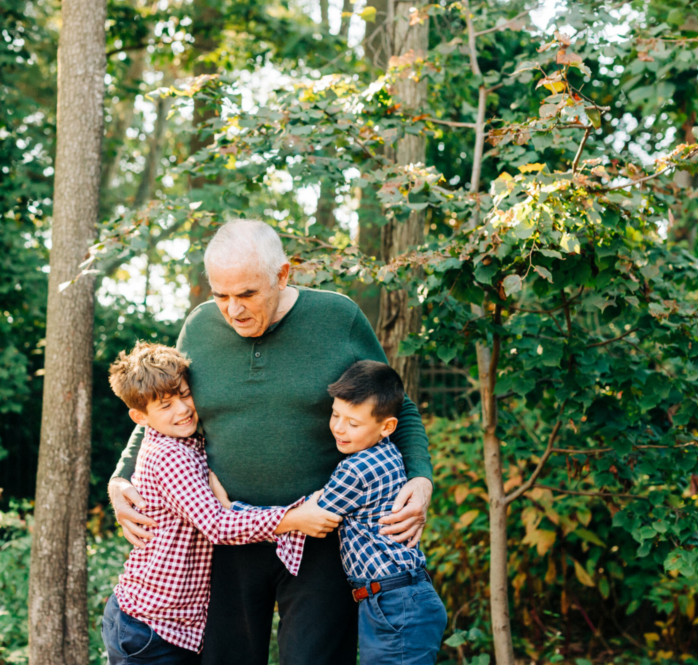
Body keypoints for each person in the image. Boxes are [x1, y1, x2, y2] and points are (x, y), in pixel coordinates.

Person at [109, 219, 434, 665]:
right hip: (225, 545)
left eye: (247, 294)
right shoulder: (199, 328)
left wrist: (420, 477)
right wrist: (120, 478)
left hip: (320, 537)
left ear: (282, 276)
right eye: (221, 295)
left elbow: (400, 408)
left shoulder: (337, 318)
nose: (233, 310)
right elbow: (158, 412)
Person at [103, 342, 339, 665]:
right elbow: (217, 525)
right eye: (165, 406)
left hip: (171, 627)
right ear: (139, 417)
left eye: (184, 395)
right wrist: (295, 518)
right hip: (150, 629)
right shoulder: (168, 456)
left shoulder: (186, 440)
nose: (182, 410)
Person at [213, 360, 448, 665]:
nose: (339, 427)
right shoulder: (387, 452)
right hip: (400, 597)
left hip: (393, 603)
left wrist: (232, 509)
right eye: (336, 414)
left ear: (387, 426)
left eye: (354, 422)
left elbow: (310, 518)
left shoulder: (357, 469)